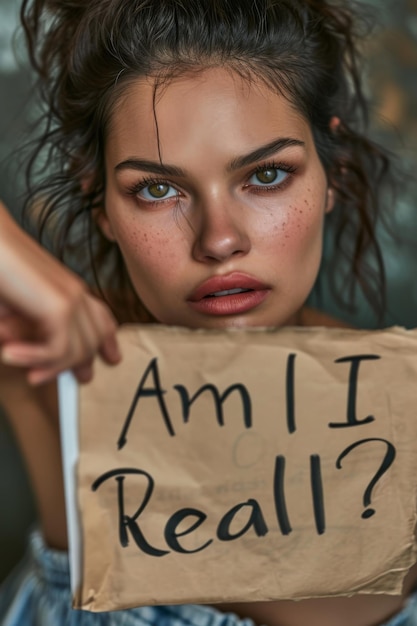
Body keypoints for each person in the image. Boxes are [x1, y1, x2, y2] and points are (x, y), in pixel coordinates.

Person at [0, 0, 414, 624]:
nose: (218, 239)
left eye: (267, 174)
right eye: (157, 189)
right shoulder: (45, 365)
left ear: (331, 175)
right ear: (103, 206)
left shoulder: (404, 403)